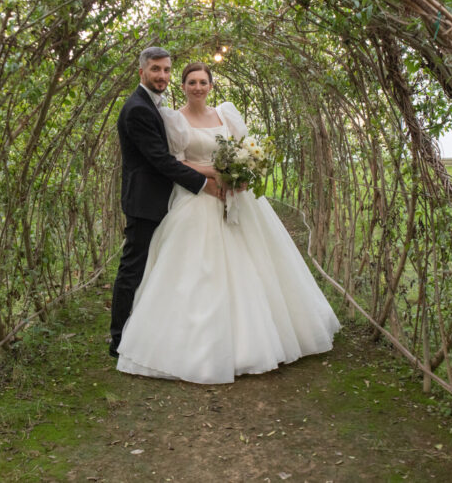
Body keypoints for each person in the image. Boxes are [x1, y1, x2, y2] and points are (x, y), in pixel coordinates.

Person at [116, 62, 341, 383]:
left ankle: (263, 335)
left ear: (211, 85)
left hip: (236, 196)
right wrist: (214, 174)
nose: (197, 87)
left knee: (257, 260)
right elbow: (176, 161)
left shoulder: (225, 114)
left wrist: (242, 172)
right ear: (183, 86)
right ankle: (194, 343)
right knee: (198, 267)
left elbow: (243, 150)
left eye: (202, 82)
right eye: (191, 82)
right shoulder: (174, 120)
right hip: (198, 195)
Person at [109, 48, 223, 359]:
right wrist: (206, 181)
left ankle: (143, 328)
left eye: (166, 70)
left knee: (153, 267)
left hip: (162, 197)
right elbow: (160, 160)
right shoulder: (138, 109)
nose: (162, 76)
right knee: (133, 268)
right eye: (156, 69)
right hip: (145, 200)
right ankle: (118, 339)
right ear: (142, 72)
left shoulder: (153, 106)